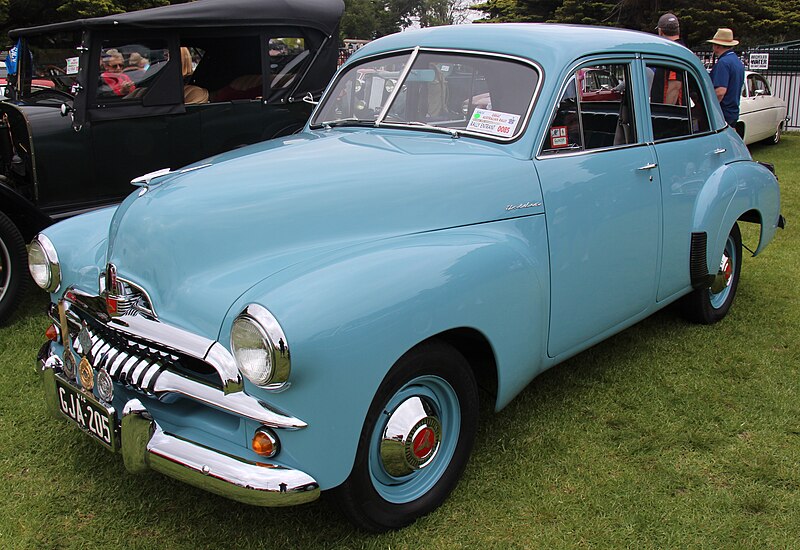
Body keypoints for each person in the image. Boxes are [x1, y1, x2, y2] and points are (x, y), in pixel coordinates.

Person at [707, 28, 745, 128]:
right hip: (733, 111)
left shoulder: (723, 63)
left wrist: (709, 108)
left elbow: (720, 92)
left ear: (717, 46)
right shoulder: (737, 62)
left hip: (723, 112)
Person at [652, 13, 685, 104]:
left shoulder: (674, 53)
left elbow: (674, 86)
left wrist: (665, 115)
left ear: (661, 31)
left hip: (670, 114)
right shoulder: (681, 50)